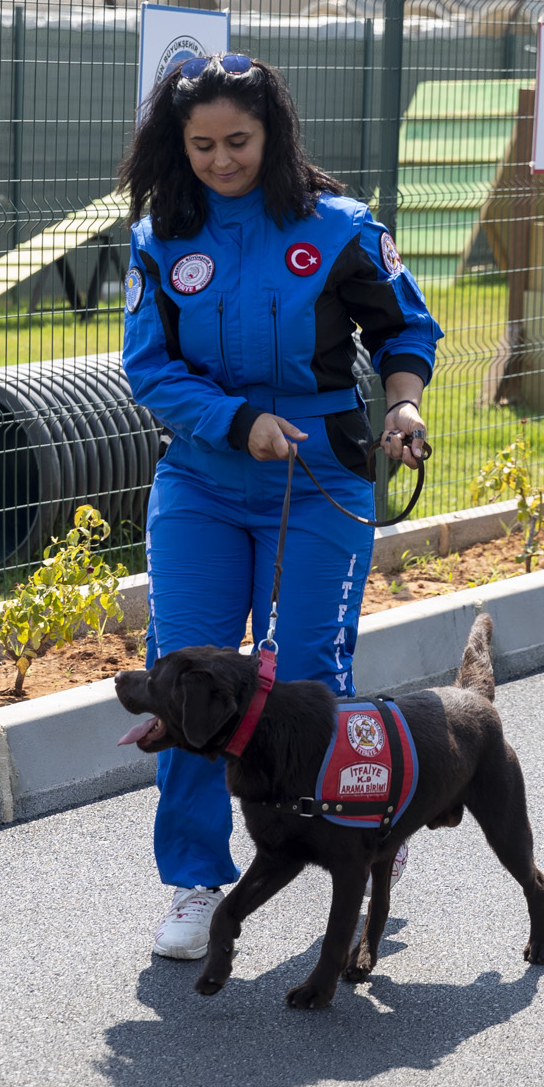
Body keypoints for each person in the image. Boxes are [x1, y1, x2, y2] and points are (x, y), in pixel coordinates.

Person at [119, 52, 441, 959]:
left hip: (320, 480)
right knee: (187, 685)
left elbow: (404, 328)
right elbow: (150, 368)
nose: (222, 160)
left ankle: (359, 831)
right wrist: (238, 421)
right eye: (203, 145)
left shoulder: (339, 228)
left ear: (274, 134)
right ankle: (193, 880)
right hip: (203, 483)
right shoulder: (159, 237)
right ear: (179, 145)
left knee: (304, 671)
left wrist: (404, 405)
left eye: (240, 140)